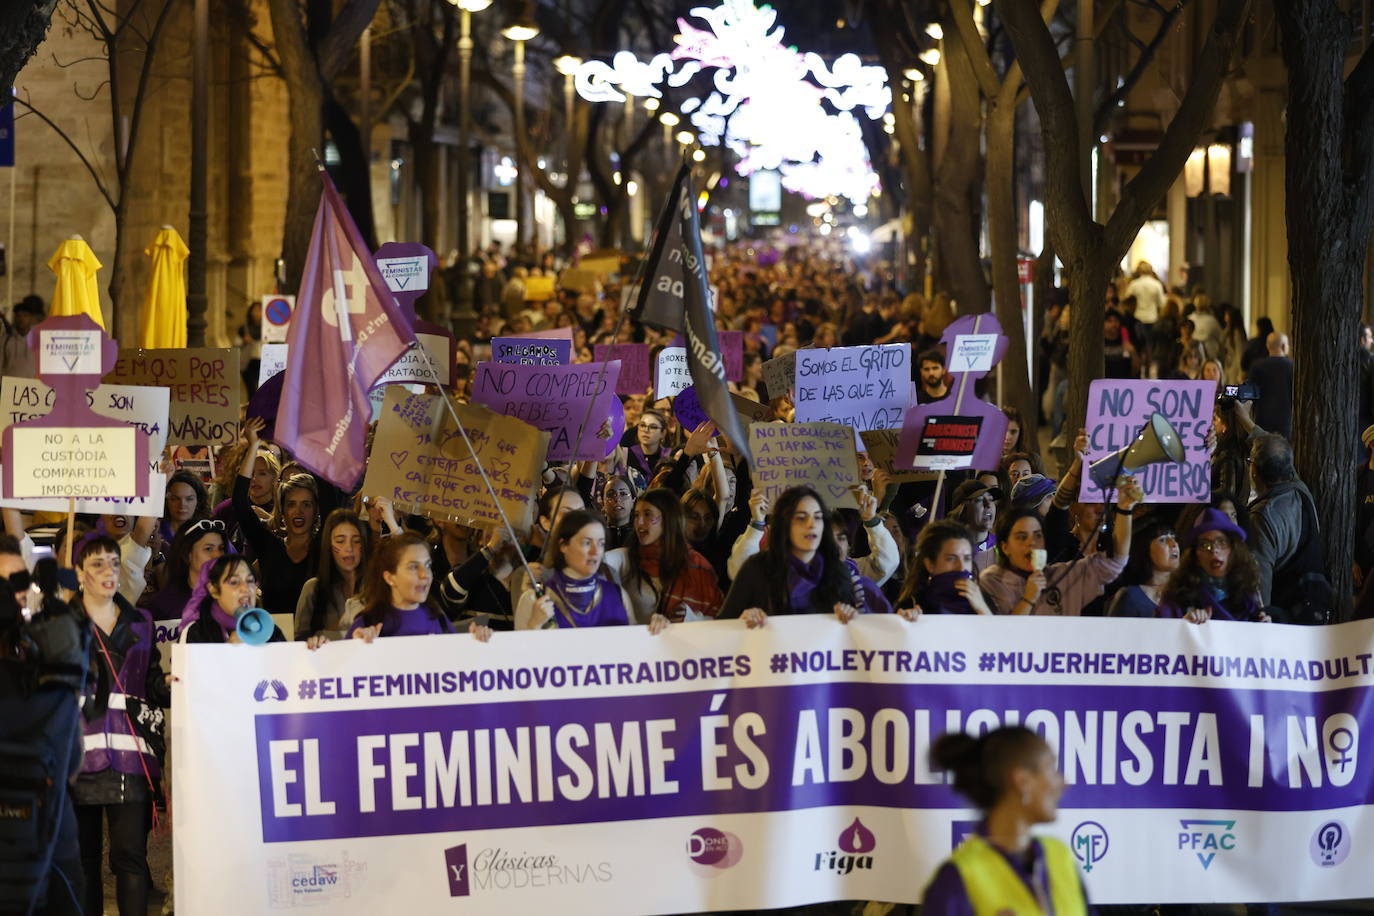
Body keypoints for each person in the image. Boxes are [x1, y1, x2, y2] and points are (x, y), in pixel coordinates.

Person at [73, 536, 168, 916]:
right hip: (78, 757)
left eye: (114, 562)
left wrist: (177, 684)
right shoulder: (60, 623)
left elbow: (153, 682)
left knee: (130, 857)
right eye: (97, 564)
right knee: (84, 861)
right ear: (79, 572)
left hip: (132, 757)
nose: (109, 571)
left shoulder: (141, 622)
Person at [921, 726, 1090, 915]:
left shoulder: (1060, 856)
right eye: (1051, 768)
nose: (1063, 782)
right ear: (1022, 781)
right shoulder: (958, 878)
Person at [718, 486, 896, 625]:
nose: (812, 524)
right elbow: (722, 628)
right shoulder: (757, 568)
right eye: (801, 517)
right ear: (784, 525)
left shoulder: (838, 572)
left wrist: (851, 619)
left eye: (818, 517)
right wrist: (741, 621)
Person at [980, 476, 1142, 616]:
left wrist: (1125, 508)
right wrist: (1029, 599)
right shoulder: (993, 579)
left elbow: (1117, 561)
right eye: (1021, 537)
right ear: (1005, 546)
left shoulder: (1062, 575)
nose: (1031, 543)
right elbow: (999, 637)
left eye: (1037, 535)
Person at [516, 510, 666, 631]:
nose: (596, 552)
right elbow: (519, 663)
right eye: (587, 543)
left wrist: (657, 629)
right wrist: (534, 626)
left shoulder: (618, 594)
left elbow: (637, 653)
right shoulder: (534, 599)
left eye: (600, 544)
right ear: (563, 545)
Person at [233, 417, 321, 614]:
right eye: (291, 504)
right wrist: (253, 446)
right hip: (275, 641)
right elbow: (240, 502)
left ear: (316, 510)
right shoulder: (268, 546)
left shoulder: (324, 547)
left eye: (306, 504)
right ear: (282, 510)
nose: (298, 511)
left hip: (315, 643)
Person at [604, 488, 723, 623]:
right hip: (636, 642)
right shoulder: (627, 558)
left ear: (668, 520)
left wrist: (690, 617)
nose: (639, 522)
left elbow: (719, 620)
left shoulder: (698, 566)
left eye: (648, 514)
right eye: (636, 515)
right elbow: (599, 564)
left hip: (683, 643)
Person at [1246, 433, 1330, 618]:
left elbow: (1260, 584)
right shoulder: (1302, 492)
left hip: (1282, 620)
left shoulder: (1262, 516)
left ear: (1253, 470)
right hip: (1313, 612)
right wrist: (1248, 424)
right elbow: (1279, 454)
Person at [349, 533, 474, 640]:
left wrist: (477, 641)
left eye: (427, 565)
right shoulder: (367, 624)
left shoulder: (439, 619)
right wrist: (357, 649)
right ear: (390, 578)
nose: (424, 575)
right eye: (413, 567)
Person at [1157, 508, 1270, 623]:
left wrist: (1264, 626)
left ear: (1235, 549)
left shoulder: (1248, 591)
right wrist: (1184, 623)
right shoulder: (1177, 596)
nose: (1214, 550)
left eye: (1222, 542)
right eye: (1204, 545)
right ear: (1195, 556)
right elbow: (1163, 634)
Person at [295, 509, 371, 641]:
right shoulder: (313, 588)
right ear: (329, 545)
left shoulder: (376, 586)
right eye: (340, 541)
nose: (349, 548)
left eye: (356, 541)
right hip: (328, 660)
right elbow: (300, 640)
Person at [179, 554, 286, 643]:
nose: (245, 589)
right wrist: (228, 653)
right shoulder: (195, 632)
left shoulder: (270, 631)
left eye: (250, 581)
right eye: (234, 582)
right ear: (214, 590)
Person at [896, 519, 994, 615]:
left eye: (967, 558)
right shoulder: (911, 606)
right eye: (951, 559)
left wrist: (983, 609)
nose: (961, 567)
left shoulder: (983, 599)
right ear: (930, 564)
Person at [140, 518, 226, 622]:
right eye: (208, 549)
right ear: (186, 555)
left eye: (221, 548)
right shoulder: (163, 604)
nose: (217, 555)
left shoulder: (229, 598)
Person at [1106, 519, 1179, 617]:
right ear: (1144, 549)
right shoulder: (1131, 597)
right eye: (1162, 540)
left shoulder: (1189, 592)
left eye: (1174, 538)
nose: (1174, 544)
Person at [1247, 332, 1293, 438]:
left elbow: (1250, 394)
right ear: (1283, 346)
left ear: (1267, 346)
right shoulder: (1291, 366)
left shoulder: (1257, 366)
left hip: (1262, 419)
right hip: (1285, 420)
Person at [947, 480, 1000, 571]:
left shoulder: (1002, 546)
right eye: (979, 500)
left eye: (991, 499)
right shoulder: (948, 549)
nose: (988, 505)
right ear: (962, 510)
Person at [1, 295, 43, 378]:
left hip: (33, 387)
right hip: (9, 387)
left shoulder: (40, 340)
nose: (21, 319)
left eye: (25, 315)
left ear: (31, 317)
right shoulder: (5, 340)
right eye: (18, 316)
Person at [599, 474, 636, 550]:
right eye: (610, 494)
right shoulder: (596, 533)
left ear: (633, 501)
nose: (617, 499)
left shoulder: (640, 533)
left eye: (623, 494)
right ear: (602, 503)